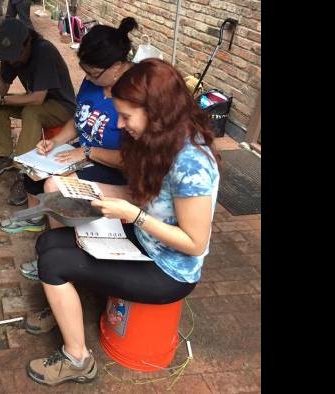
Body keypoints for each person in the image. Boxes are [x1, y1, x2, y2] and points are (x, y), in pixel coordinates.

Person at [24, 58, 221, 386]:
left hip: (168, 270)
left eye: (126, 116)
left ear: (156, 112)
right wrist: (86, 190)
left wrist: (134, 216)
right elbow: (139, 193)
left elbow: (195, 242)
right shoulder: (158, 142)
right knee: (47, 243)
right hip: (144, 239)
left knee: (54, 263)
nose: (118, 125)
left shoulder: (193, 165)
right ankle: (63, 308)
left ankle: (78, 360)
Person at [0, 20, 138, 284]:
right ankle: (39, 222)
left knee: (55, 187)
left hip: (113, 167)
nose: (89, 78)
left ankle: (63, 260)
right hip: (83, 154)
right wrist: (56, 142)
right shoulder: (94, 81)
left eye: (94, 73)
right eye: (85, 72)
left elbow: (135, 160)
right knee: (33, 170)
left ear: (117, 67)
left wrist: (85, 153)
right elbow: (79, 119)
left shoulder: (138, 92)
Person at [0, 18, 76, 206]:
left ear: (29, 41)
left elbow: (38, 98)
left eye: (17, 54)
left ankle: (24, 175)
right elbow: (1, 91)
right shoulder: (10, 54)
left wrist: (1, 99)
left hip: (61, 105)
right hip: (35, 99)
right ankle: (4, 156)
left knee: (31, 112)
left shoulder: (44, 51)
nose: (13, 60)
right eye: (9, 56)